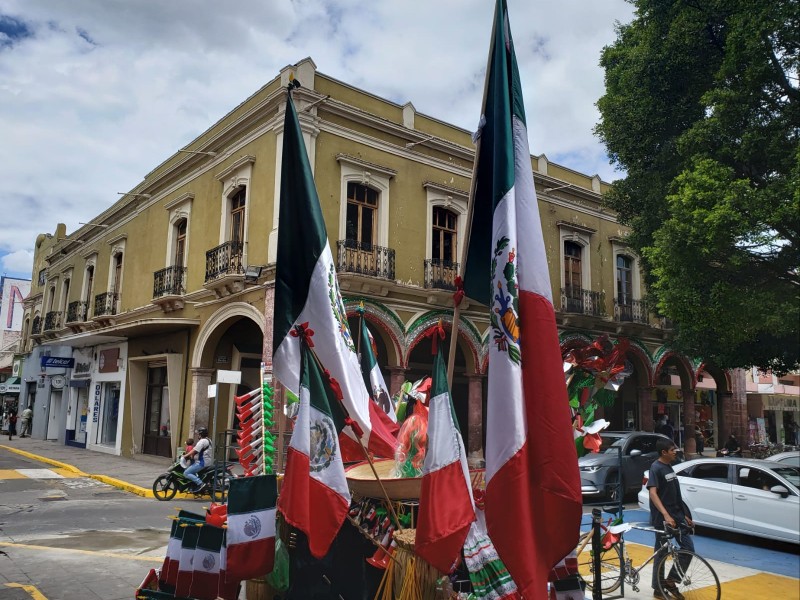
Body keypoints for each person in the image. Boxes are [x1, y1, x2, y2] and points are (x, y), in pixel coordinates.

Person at [648, 438, 693, 599]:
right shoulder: (656, 468)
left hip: (678, 516)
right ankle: (658, 588)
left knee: (688, 549)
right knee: (661, 553)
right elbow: (653, 493)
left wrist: (684, 515)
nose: (676, 452)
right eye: (672, 450)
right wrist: (666, 515)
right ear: (664, 452)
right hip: (663, 518)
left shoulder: (669, 467)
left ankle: (671, 581)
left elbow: (675, 494)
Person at [183, 428, 211, 492]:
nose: (198, 435)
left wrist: (185, 456)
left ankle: (201, 484)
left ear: (201, 434)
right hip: (208, 461)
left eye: (198, 434)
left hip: (202, 462)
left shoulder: (202, 441)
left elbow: (194, 450)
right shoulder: (208, 440)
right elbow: (196, 451)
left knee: (186, 473)